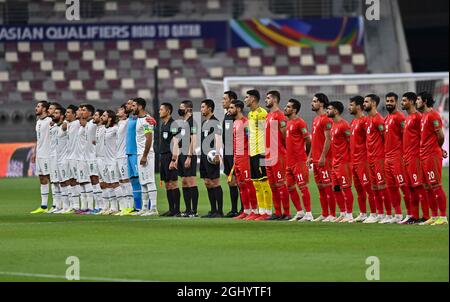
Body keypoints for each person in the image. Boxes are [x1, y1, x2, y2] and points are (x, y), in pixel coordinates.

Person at [416, 92, 448, 225]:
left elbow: (440, 135)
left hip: (431, 155)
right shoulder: (424, 116)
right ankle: (434, 216)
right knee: (427, 186)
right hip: (424, 155)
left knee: (435, 185)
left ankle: (443, 217)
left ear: (424, 101)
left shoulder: (433, 115)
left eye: (418, 100)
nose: (416, 102)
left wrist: (438, 148)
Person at [400, 92, 430, 224]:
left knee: (419, 187)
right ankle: (414, 216)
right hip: (406, 157)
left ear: (411, 102)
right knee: (410, 188)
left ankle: (426, 216)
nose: (402, 102)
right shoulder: (407, 118)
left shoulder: (418, 117)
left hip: (415, 157)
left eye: (404, 100)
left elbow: (425, 136)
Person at [228, 100, 258, 220]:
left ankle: (255, 210)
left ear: (238, 109)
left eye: (231, 107)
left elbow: (251, 139)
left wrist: (250, 156)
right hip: (238, 158)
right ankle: (246, 210)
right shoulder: (235, 122)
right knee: (241, 185)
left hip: (245, 157)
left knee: (248, 184)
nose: (229, 110)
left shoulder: (246, 122)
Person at [284, 98, 313, 222]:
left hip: (299, 161)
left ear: (294, 110)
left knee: (302, 187)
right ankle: (300, 212)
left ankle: (309, 214)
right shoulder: (288, 123)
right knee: (290, 187)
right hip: (289, 161)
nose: (285, 108)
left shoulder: (300, 123)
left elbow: (308, 140)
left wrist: (307, 156)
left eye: (288, 106)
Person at [362, 94, 390, 224]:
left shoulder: (379, 120)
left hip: (379, 158)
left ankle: (389, 215)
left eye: (366, 102)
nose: (364, 104)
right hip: (370, 159)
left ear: (373, 103)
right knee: (374, 188)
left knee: (382, 187)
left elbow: (385, 138)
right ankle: (379, 213)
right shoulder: (368, 120)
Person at [348, 96, 376, 222]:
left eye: (352, 105)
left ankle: (374, 214)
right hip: (354, 161)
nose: (349, 107)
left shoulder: (365, 121)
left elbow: (370, 140)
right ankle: (363, 213)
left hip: (363, 160)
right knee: (359, 189)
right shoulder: (353, 122)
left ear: (358, 106)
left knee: (368, 188)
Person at [244, 90, 272, 220]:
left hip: (261, 152)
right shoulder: (250, 114)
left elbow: (267, 133)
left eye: (247, 97)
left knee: (264, 181)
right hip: (252, 152)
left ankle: (268, 211)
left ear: (253, 99)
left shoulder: (262, 114)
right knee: (256, 183)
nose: (245, 99)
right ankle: (260, 211)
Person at [307, 93, 334, 222]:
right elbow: (314, 141)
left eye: (315, 101)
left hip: (325, 159)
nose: (312, 103)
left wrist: (323, 156)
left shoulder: (326, 119)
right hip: (316, 159)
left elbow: (328, 139)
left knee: (328, 186)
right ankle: (324, 213)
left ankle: (332, 214)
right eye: (312, 101)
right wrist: (310, 156)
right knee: (320, 188)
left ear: (322, 103)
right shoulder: (316, 119)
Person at [383, 92, 410, 224]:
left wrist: (404, 154)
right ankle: (398, 214)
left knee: (404, 186)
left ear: (396, 102)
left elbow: (406, 136)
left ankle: (411, 214)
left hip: (397, 158)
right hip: (387, 158)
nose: (389, 103)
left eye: (391, 101)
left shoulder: (400, 117)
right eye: (387, 101)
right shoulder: (387, 118)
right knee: (391, 188)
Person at [264, 90, 291, 220]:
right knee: (273, 186)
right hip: (268, 155)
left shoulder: (279, 115)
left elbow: (285, 136)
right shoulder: (268, 116)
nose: (266, 100)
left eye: (268, 98)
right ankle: (278, 212)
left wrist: (284, 152)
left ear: (274, 100)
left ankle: (286, 213)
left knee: (280, 184)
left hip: (278, 154)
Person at [326, 101, 354, 223]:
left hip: (344, 163)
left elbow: (350, 143)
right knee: (336, 189)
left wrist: (349, 160)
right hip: (335, 163)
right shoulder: (333, 125)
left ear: (336, 111)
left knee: (346, 188)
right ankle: (342, 213)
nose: (327, 111)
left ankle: (350, 215)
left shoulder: (344, 125)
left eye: (329, 109)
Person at [172, 100, 199, 217]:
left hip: (189, 154)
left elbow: (193, 140)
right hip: (181, 155)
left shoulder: (193, 122)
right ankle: (187, 210)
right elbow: (178, 142)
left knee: (191, 181)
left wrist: (189, 156)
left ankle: (194, 211)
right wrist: (176, 159)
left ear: (188, 109)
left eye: (182, 107)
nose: (180, 109)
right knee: (184, 182)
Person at [132, 98, 158, 216]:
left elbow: (149, 138)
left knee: (149, 181)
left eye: (134, 106)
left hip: (146, 154)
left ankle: (153, 208)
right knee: (143, 182)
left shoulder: (147, 120)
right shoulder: (139, 118)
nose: (132, 108)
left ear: (140, 106)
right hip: (140, 154)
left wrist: (145, 155)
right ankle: (144, 208)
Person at [200, 99, 224, 218]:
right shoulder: (205, 123)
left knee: (215, 182)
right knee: (207, 182)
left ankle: (219, 211)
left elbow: (218, 138)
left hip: (212, 156)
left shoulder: (215, 122)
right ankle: (213, 210)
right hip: (204, 156)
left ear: (209, 108)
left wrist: (218, 154)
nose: (201, 109)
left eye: (203, 107)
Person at [158, 103, 181, 217]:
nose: (159, 111)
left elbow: (177, 142)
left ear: (168, 111)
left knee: (173, 183)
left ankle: (177, 210)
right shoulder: (163, 124)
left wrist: (174, 159)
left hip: (171, 156)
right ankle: (171, 209)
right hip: (164, 156)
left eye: (161, 109)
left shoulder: (174, 124)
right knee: (167, 184)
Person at [30, 101, 52, 214]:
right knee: (42, 179)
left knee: (52, 178)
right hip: (39, 154)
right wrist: (34, 152)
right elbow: (38, 139)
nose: (36, 108)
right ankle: (44, 206)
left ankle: (56, 205)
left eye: (38, 106)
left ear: (44, 109)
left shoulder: (50, 121)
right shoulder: (38, 122)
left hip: (48, 154)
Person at [99, 110, 122, 215]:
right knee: (107, 184)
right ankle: (112, 207)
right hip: (105, 160)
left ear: (110, 118)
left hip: (113, 160)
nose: (101, 117)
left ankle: (121, 207)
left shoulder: (115, 129)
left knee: (115, 183)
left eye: (103, 116)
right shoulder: (103, 129)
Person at [222, 91, 241, 217]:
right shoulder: (227, 115)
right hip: (227, 151)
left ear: (232, 100)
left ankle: (244, 209)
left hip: (234, 151)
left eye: (225, 99)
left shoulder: (235, 117)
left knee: (238, 180)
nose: (223, 101)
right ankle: (234, 209)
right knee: (231, 181)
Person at [60, 104, 81, 214]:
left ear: (74, 114)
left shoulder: (78, 123)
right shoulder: (68, 124)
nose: (66, 114)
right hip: (68, 156)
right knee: (71, 180)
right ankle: (73, 205)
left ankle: (79, 205)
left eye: (68, 112)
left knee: (77, 181)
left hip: (76, 156)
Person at [115, 104, 134, 215]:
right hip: (117, 156)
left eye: (121, 109)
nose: (118, 110)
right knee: (121, 181)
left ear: (126, 112)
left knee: (126, 180)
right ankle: (124, 207)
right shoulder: (119, 123)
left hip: (123, 155)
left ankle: (130, 206)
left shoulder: (127, 122)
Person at [47, 102, 63, 213]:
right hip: (51, 155)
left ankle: (63, 205)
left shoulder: (63, 125)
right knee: (54, 181)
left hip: (60, 156)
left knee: (61, 181)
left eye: (52, 109)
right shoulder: (52, 126)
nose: (49, 110)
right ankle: (56, 205)